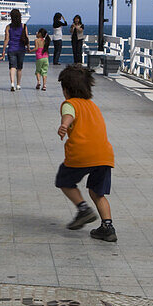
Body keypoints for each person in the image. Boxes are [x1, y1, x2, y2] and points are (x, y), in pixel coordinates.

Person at [55, 65, 116, 242]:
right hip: (104, 155)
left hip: (81, 153)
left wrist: (64, 125)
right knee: (98, 193)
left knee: (64, 181)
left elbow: (69, 114)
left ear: (66, 90)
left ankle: (83, 209)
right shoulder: (93, 106)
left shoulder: (70, 104)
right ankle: (108, 227)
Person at [2, 8, 29, 91]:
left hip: (11, 49)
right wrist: (28, 47)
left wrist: (3, 50)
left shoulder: (8, 27)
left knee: (12, 67)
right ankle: (18, 84)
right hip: (21, 49)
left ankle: (12, 83)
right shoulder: (23, 26)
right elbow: (26, 37)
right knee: (19, 68)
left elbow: (6, 39)